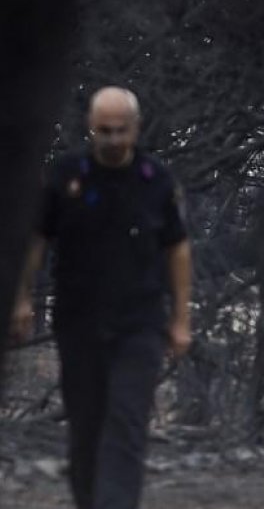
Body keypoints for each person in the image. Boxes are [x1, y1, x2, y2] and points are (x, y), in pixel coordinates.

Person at [10, 86, 193, 509]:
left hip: (140, 322)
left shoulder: (156, 181)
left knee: (126, 422)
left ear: (136, 128)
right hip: (80, 321)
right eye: (103, 131)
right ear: (91, 129)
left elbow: (178, 249)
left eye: (120, 130)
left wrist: (181, 318)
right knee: (87, 429)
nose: (112, 139)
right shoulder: (65, 176)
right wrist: (21, 297)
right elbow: (36, 240)